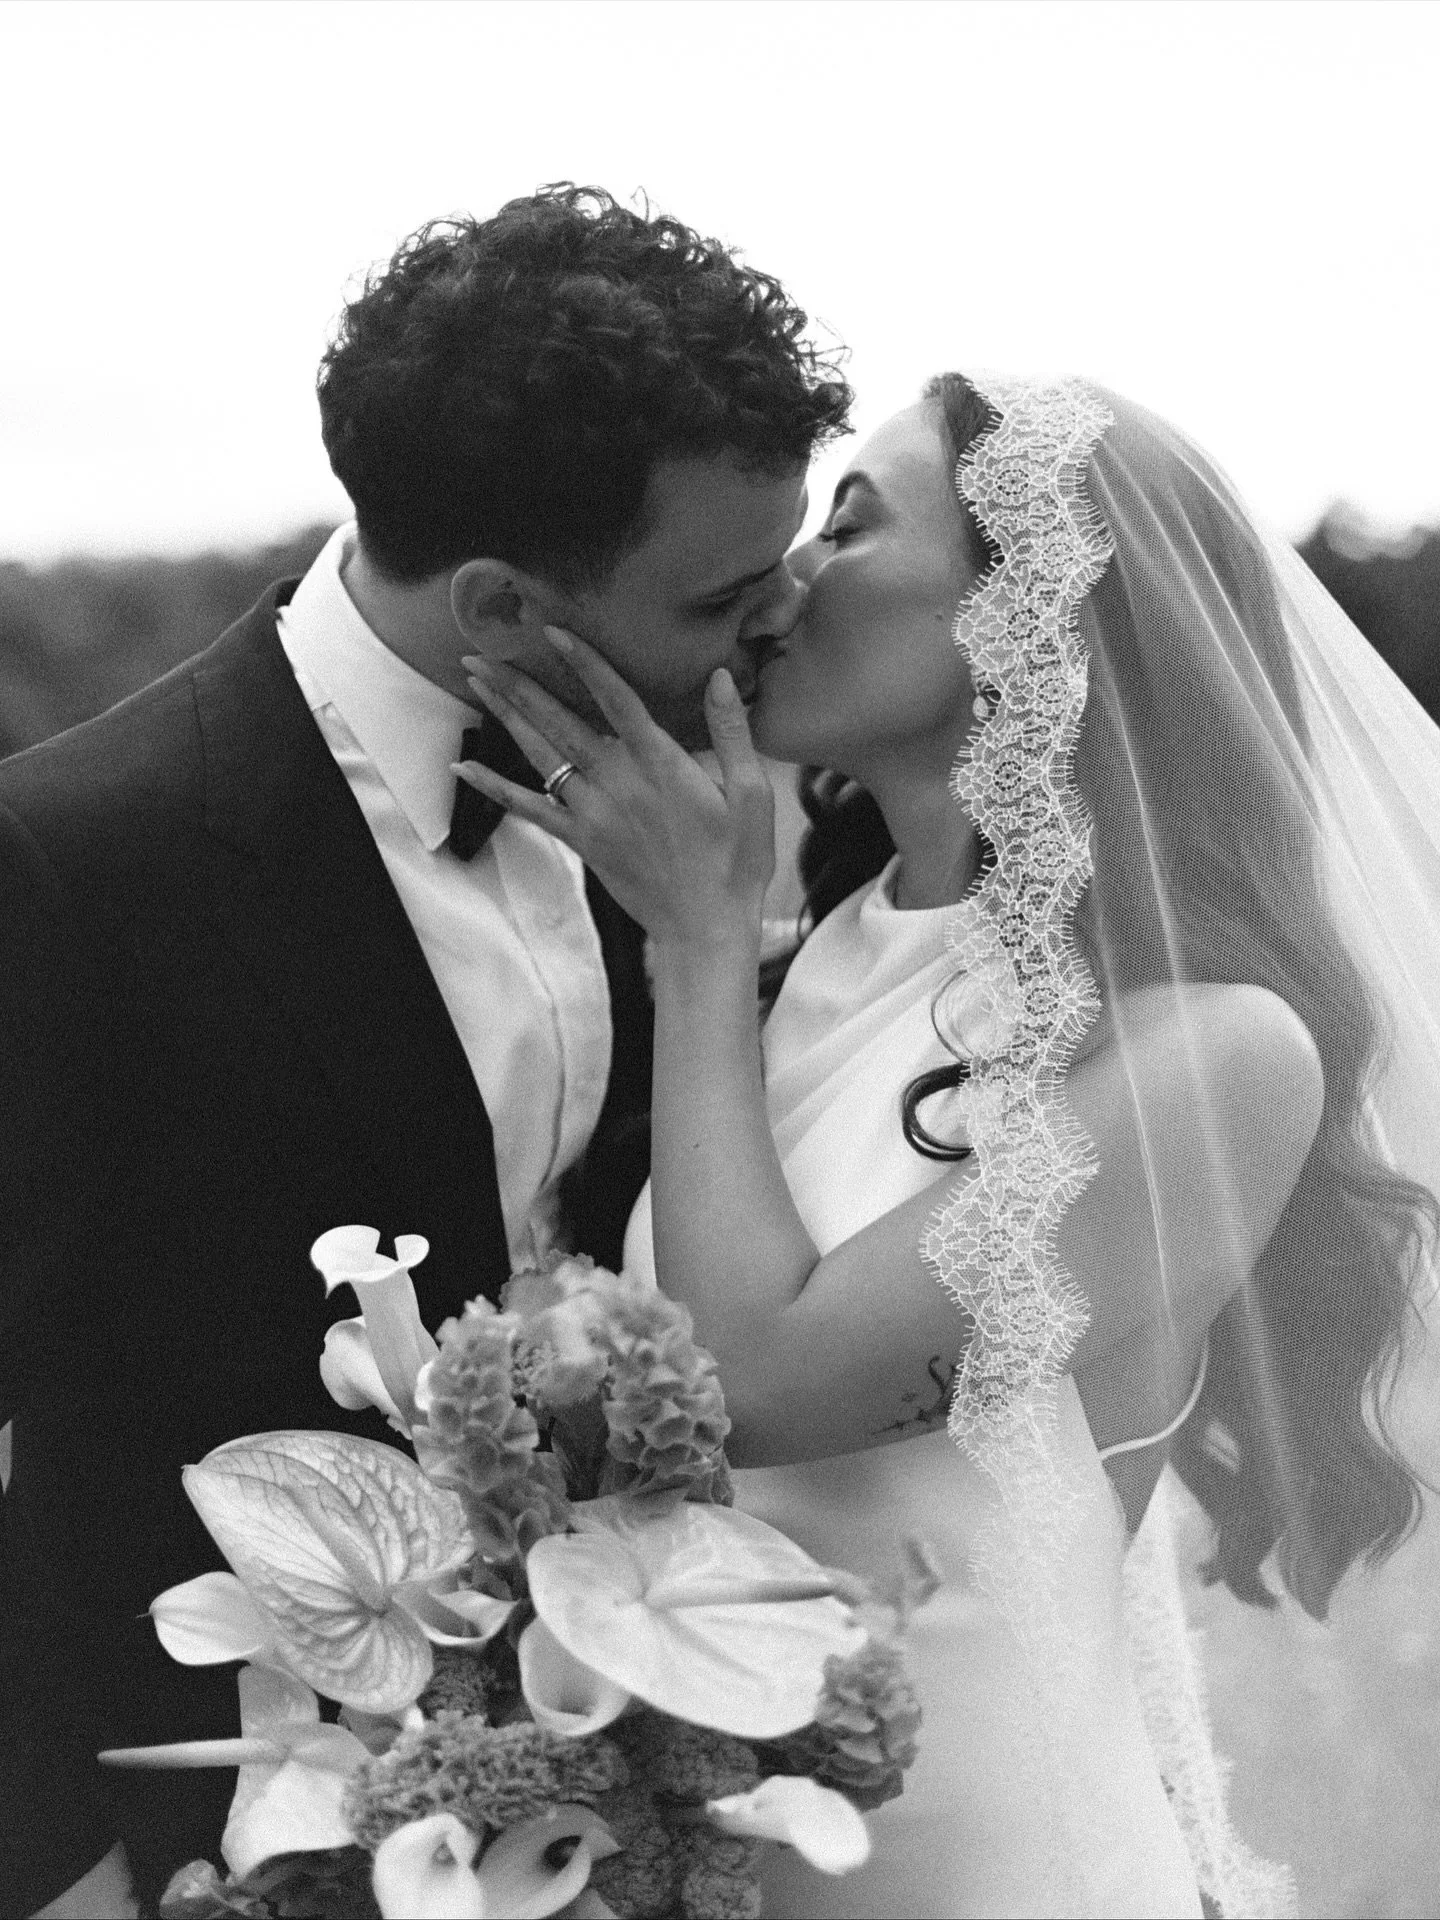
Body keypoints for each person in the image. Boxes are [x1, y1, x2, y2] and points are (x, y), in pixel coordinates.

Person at [457, 371, 1440, 1916]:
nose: (781, 581)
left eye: (848, 524)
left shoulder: (1215, 1048)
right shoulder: (812, 957)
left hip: (993, 1863)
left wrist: (698, 949)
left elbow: (751, 1386)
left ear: (1031, 610)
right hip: (725, 1850)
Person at [0, 185, 850, 1915]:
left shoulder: (704, 824)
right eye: (724, 599)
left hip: (634, 1803)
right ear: (504, 603)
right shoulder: (67, 860)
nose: (776, 629)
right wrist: (60, 1874)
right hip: (209, 1837)